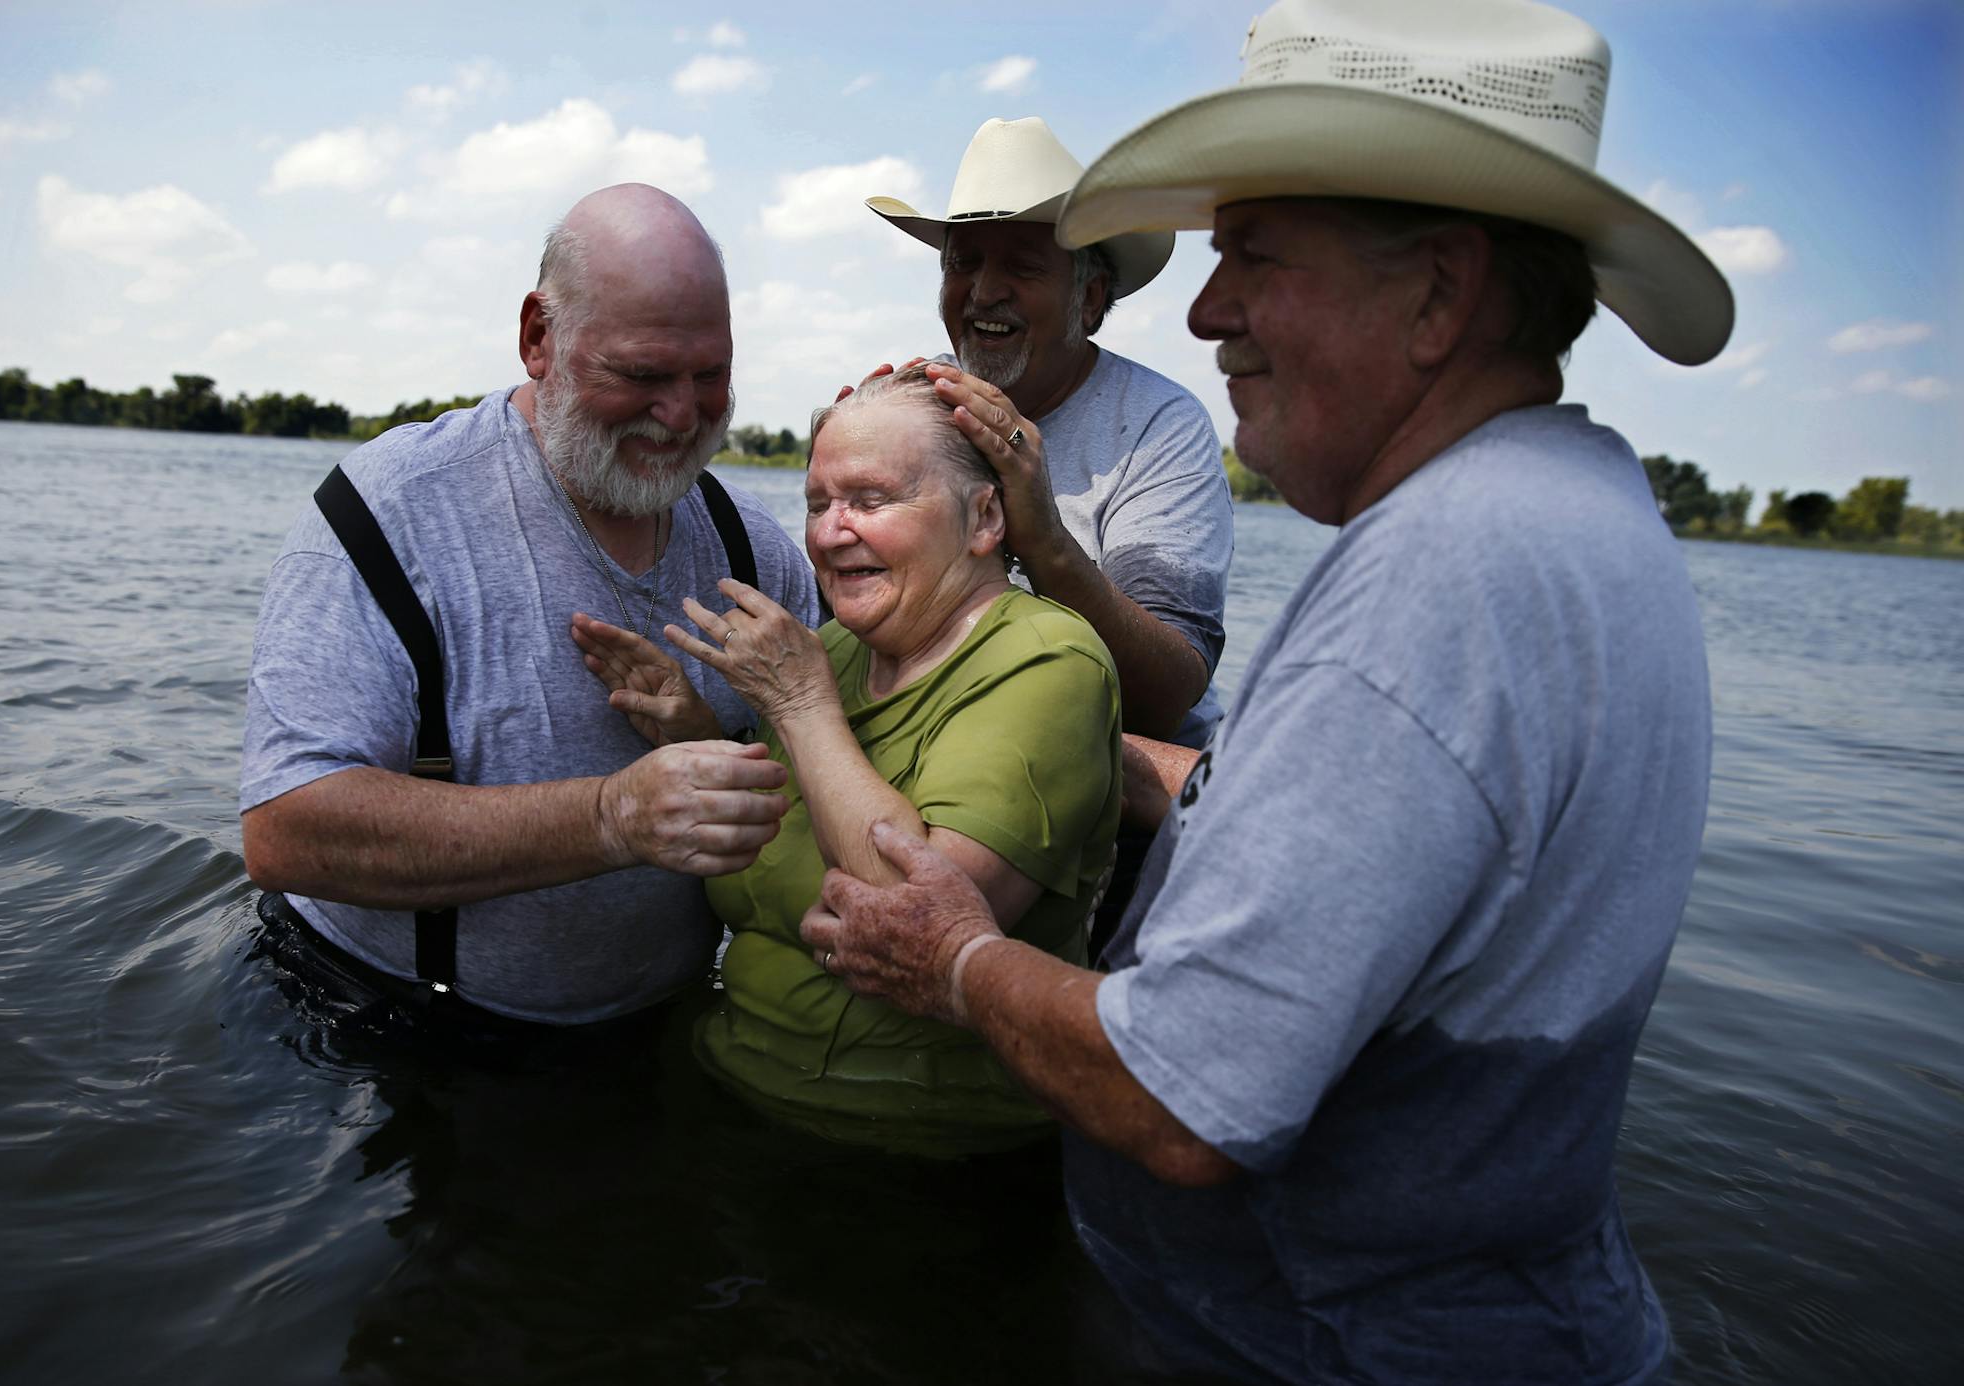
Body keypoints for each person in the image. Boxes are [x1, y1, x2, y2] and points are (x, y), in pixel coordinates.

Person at [801, 1, 1732, 1380]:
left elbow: (1185, 1096)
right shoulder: (1578, 504)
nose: (1208, 308)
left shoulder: (1440, 577)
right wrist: (1120, 761)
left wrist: (953, 955)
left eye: (1254, 254)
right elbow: (1392, 833)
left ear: (1438, 295)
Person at [239, 184, 820, 1028]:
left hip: (660, 1028)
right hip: (385, 1028)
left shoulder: (757, 550)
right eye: (643, 374)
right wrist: (611, 817)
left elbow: (840, 782)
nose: (682, 414)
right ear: (538, 337)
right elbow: (287, 829)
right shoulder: (385, 516)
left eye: (712, 375)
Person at [574, 364, 1121, 1154]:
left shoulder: (1050, 662)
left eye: (870, 500)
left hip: (912, 1158)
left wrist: (799, 704)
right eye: (817, 504)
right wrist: (694, 736)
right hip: (730, 1097)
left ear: (983, 518)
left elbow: (919, 923)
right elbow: (777, 856)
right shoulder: (832, 652)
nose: (831, 533)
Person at [866, 116, 1231, 749]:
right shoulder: (916, 404)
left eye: (1023, 268)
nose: (983, 291)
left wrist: (1044, 540)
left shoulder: (1158, 426)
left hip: (1128, 795)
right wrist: (843, 491)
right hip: (954, 758)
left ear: (1089, 299)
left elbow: (1166, 697)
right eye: (964, 263)